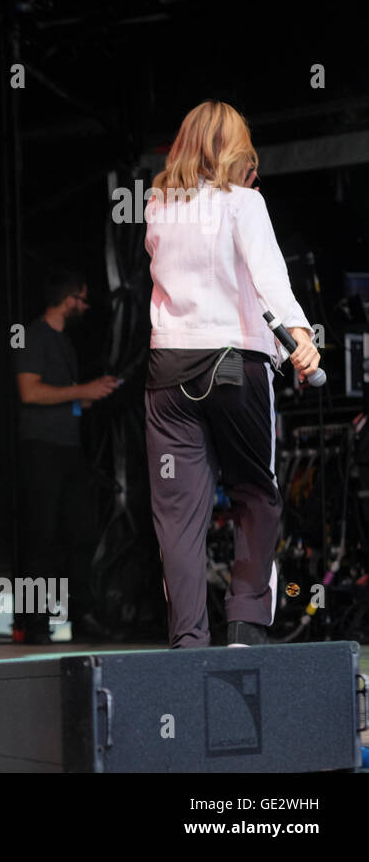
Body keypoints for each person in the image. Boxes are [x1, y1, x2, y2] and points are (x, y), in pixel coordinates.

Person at [143, 100, 319, 648]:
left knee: (178, 517)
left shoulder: (156, 204)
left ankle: (188, 644)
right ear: (235, 147)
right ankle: (245, 630)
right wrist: (301, 334)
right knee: (255, 495)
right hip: (233, 363)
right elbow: (269, 273)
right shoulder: (244, 203)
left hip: (168, 370)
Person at [13, 270, 117, 643]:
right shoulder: (34, 335)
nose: (85, 307)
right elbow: (30, 392)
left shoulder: (65, 343)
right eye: (82, 299)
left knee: (81, 532)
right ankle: (36, 623)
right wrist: (81, 390)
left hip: (69, 448)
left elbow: (63, 394)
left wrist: (86, 396)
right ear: (68, 298)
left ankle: (82, 614)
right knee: (42, 536)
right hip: (42, 448)